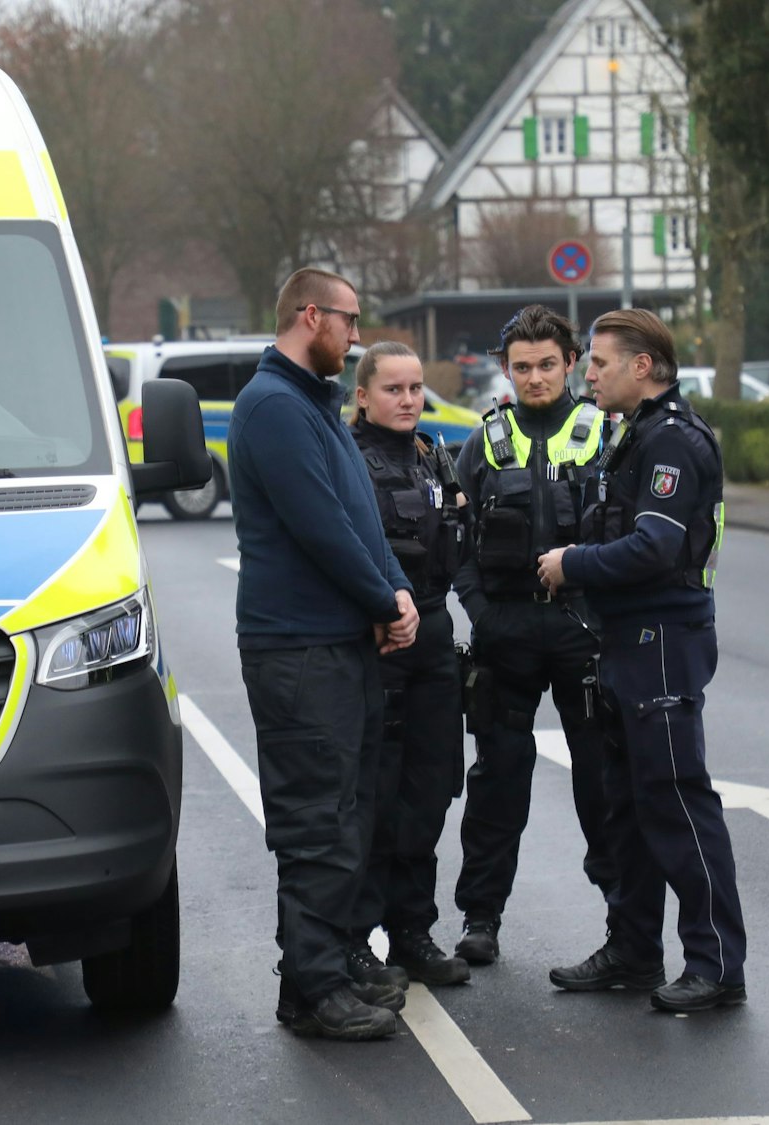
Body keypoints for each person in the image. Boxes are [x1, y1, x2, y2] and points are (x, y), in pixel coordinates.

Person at [229, 267, 421, 1042]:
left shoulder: (312, 404)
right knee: (315, 822)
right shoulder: (274, 406)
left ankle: (336, 958)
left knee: (348, 814)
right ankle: (311, 990)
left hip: (337, 646)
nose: (356, 335)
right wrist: (384, 600)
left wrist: (396, 590)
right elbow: (320, 528)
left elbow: (361, 519)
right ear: (311, 316)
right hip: (299, 650)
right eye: (349, 320)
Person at [538, 308, 747, 1013]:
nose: (586, 373)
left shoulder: (672, 443)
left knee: (676, 800)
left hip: (664, 636)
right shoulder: (631, 435)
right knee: (626, 805)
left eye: (597, 362)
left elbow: (654, 547)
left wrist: (572, 563)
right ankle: (631, 949)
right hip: (628, 638)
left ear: (644, 366)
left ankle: (716, 964)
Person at [447, 305, 614, 967]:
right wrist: (482, 613)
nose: (536, 378)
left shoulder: (606, 432)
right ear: (506, 369)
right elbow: (453, 539)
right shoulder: (483, 441)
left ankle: (623, 922)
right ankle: (480, 918)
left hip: (584, 634)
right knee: (497, 784)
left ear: (571, 363)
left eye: (548, 365)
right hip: (507, 633)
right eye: (522, 367)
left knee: (603, 783)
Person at [348, 341, 472, 987]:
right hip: (381, 641)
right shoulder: (349, 461)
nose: (407, 399)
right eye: (392, 388)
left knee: (428, 791)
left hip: (434, 636)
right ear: (363, 395)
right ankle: (360, 940)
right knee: (378, 794)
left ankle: (412, 932)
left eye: (416, 388)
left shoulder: (433, 457)